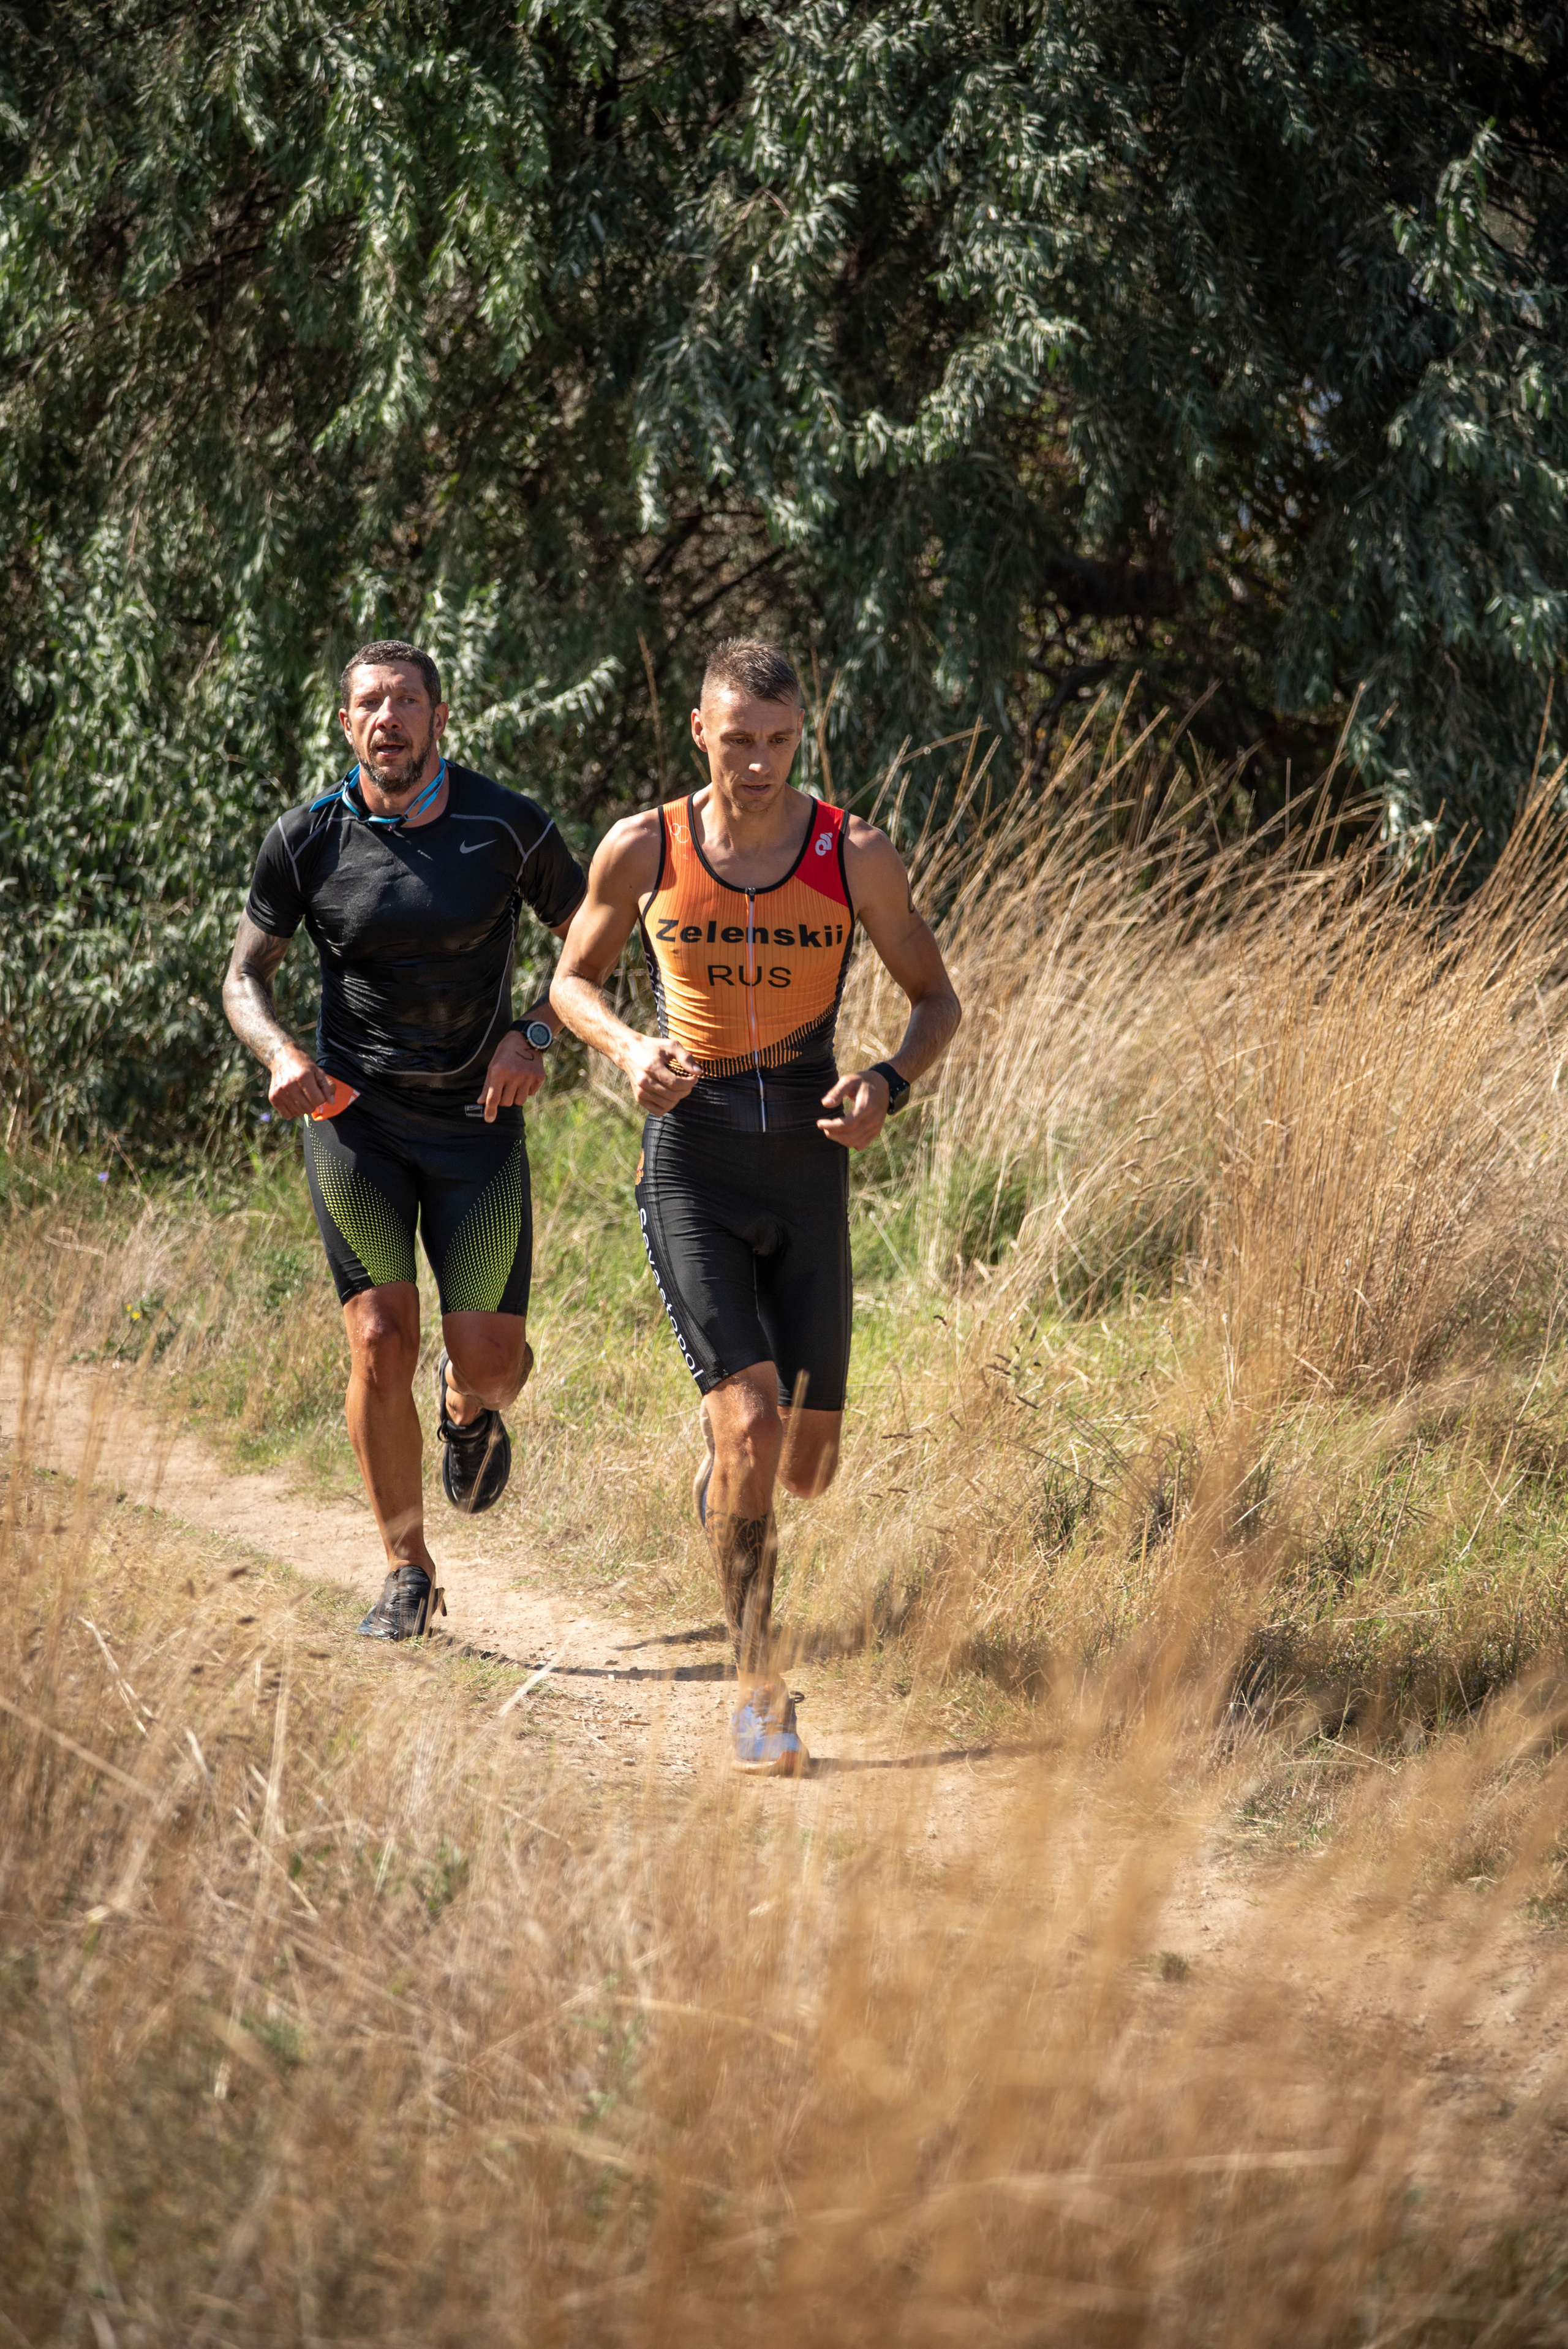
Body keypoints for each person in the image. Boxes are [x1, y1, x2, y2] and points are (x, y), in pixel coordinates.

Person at [551, 638, 961, 1774]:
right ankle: (757, 1683)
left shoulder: (854, 854)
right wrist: (628, 1045)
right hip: (691, 1161)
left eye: (782, 740)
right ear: (701, 732)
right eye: (740, 740)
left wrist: (888, 1082)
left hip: (810, 1170)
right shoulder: (647, 845)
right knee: (753, 1423)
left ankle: (729, 1472)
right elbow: (567, 983)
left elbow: (938, 1001)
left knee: (808, 1464)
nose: (762, 762)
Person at [222, 640, 586, 1640]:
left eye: (407, 701)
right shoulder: (306, 839)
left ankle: (468, 1410)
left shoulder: (507, 826)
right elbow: (242, 979)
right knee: (379, 1338)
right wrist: (280, 1053)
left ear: (438, 717)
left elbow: (599, 937)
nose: (388, 718)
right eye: (369, 704)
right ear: (347, 725)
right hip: (356, 1123)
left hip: (479, 1126)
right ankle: (405, 1569)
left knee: (497, 1361)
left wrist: (538, 1033)